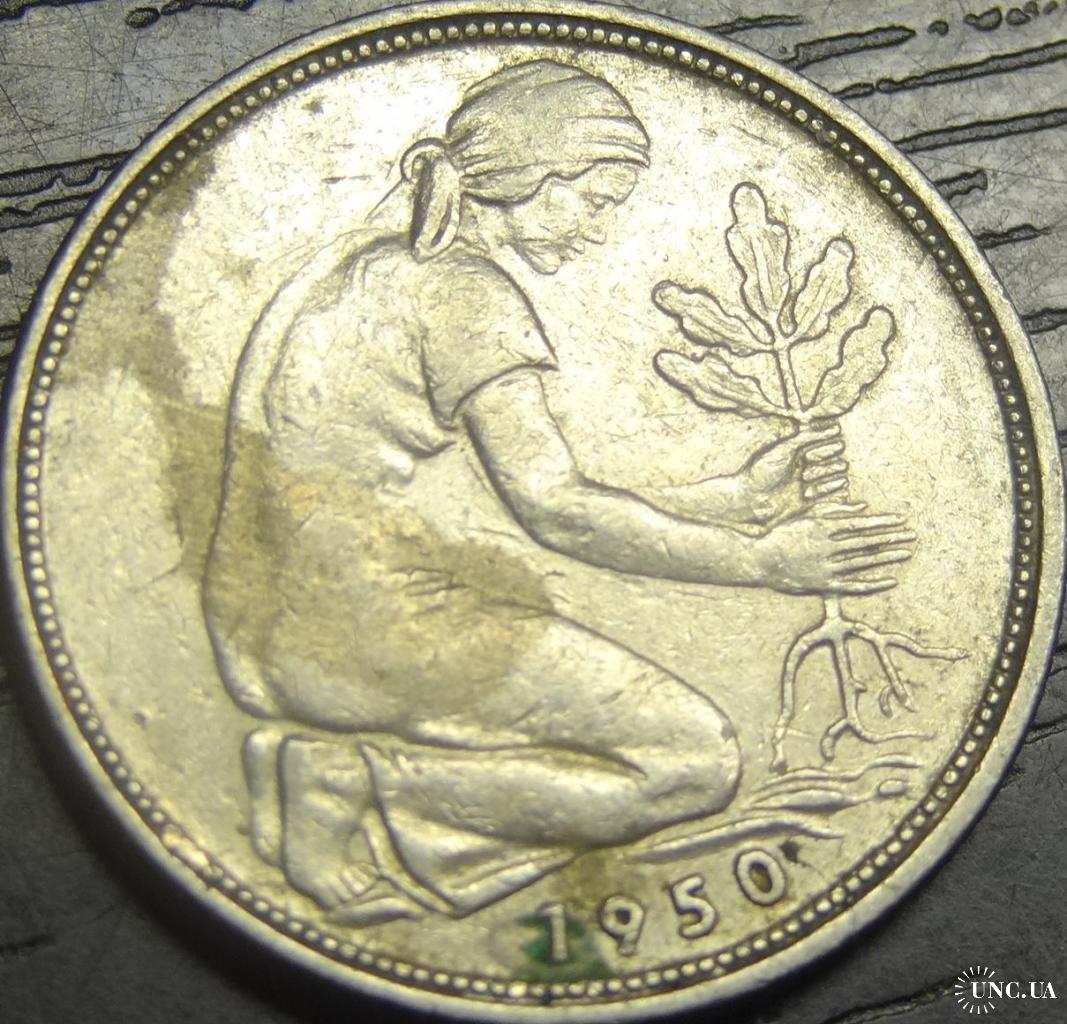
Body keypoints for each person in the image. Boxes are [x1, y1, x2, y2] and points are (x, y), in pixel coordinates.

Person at [202, 60, 911, 923]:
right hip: (365, 629)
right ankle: (353, 787)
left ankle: (340, 782)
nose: (599, 230)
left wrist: (729, 498)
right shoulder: (465, 292)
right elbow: (553, 511)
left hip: (267, 618)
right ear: (530, 173)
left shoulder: (354, 267)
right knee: (690, 762)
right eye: (594, 198)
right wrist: (762, 561)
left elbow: (482, 506)